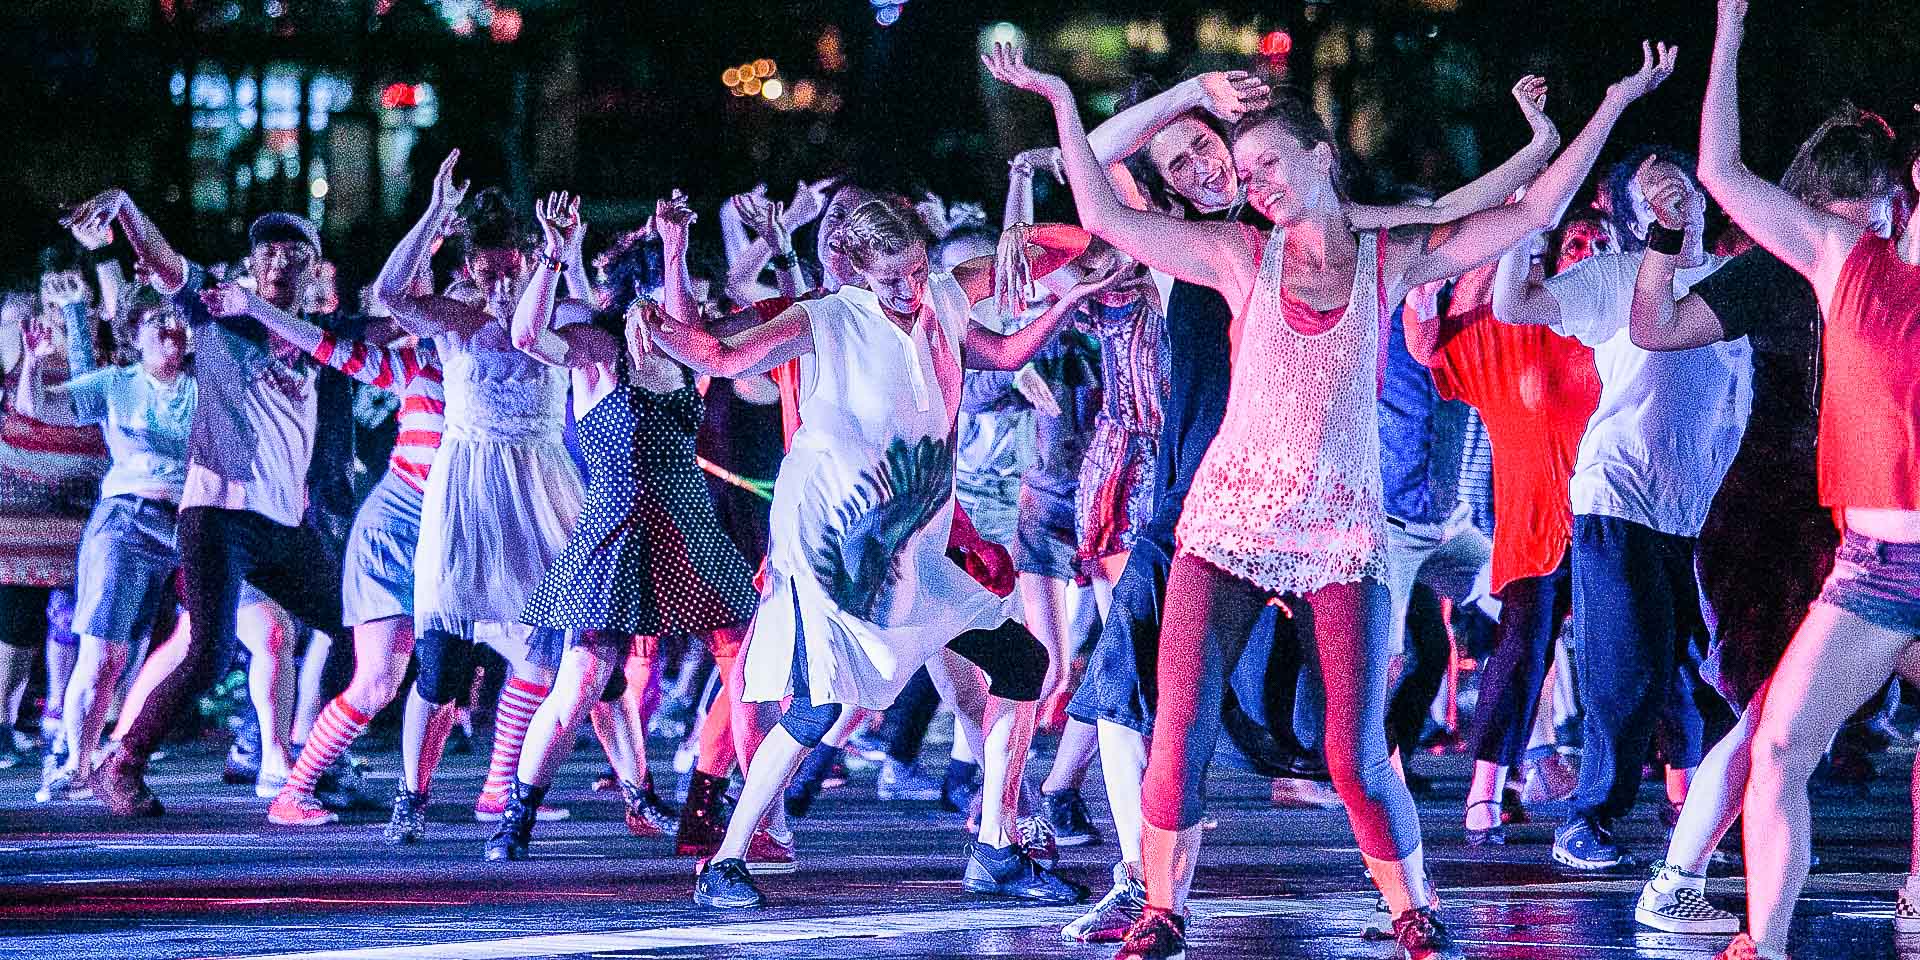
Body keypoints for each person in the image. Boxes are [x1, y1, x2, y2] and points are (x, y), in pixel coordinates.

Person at [985, 38, 1675, 960]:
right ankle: (1161, 911)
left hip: (1339, 534)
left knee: (1354, 755)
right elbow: (1104, 209)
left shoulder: (1389, 259)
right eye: (1245, 170)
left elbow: (1532, 208)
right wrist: (1061, 99)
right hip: (1225, 523)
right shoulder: (1237, 254)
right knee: (1176, 735)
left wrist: (1614, 103)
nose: (1255, 181)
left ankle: (1413, 908)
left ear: (1324, 158)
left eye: (1271, 163)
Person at [643, 189, 1103, 909]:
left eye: (915, 269)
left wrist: (1064, 268)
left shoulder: (944, 302)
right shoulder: (825, 318)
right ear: (856, 267)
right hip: (834, 548)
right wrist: (656, 317)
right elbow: (718, 355)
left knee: (1021, 661)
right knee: (820, 706)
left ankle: (997, 845)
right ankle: (726, 860)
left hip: (913, 541)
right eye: (889, 275)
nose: (907, 287)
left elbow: (1017, 330)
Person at [1624, 101, 1899, 936]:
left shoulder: (1897, 271)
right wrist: (1664, 241)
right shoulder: (1783, 269)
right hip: (1773, 528)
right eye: (1848, 220)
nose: (1866, 237)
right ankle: (1677, 879)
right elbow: (1653, 325)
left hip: (1868, 528)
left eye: (1882, 214)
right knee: (1771, 723)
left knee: (1790, 725)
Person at [1683, 5, 1920, 957]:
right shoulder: (1844, 260)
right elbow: (1722, 175)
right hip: (1872, 570)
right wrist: (1732, 34)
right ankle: (1762, 944)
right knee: (1779, 746)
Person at [1492, 142, 1749, 870]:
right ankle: (1590, 818)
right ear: (1633, 219)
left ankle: (1707, 823)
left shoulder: (1736, 281)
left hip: (1707, 510)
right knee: (1626, 670)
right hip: (1620, 498)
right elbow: (1515, 304)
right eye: (1655, 191)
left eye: (1683, 184)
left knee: (1718, 674)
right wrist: (1523, 232)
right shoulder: (1615, 278)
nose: (1676, 196)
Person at [486, 190, 760, 861]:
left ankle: (743, 812)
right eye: (674, 285)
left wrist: (675, 242)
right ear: (638, 296)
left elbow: (701, 319)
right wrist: (554, 257)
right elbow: (526, 336)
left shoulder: (690, 353)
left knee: (747, 663)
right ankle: (517, 815)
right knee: (581, 681)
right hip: (615, 528)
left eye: (690, 288)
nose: (689, 302)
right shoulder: (600, 348)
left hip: (687, 522)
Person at [63, 190, 354, 818]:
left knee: (359, 631)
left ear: (313, 268)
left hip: (283, 521)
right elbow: (167, 264)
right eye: (266, 251)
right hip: (215, 514)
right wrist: (125, 211)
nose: (277, 260)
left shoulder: (318, 336)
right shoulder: (221, 312)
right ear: (251, 266)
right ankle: (122, 762)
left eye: (293, 251)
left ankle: (312, 760)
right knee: (210, 650)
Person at [372, 160, 584, 825]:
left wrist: (564, 254)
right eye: (486, 271)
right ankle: (412, 794)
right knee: (441, 662)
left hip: (541, 483)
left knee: (555, 649)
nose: (498, 282)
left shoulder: (560, 310)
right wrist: (435, 213)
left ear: (527, 261)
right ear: (469, 268)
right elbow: (390, 295)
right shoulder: (458, 320)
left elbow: (588, 317)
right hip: (469, 484)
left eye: (509, 269)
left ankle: (513, 788)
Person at [1402, 224, 1606, 846]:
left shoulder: (1622, 322)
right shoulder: (1510, 330)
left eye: (1598, 244)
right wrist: (1496, 240)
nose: (1586, 256)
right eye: (1573, 245)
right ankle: (1485, 788)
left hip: (1618, 516)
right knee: (1522, 650)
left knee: (1645, 653)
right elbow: (1431, 347)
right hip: (1532, 521)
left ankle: (1674, 791)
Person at [15, 288, 192, 801]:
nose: (169, 328)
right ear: (135, 335)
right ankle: (76, 762)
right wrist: (33, 359)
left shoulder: (205, 387)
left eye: (177, 318)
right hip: (128, 523)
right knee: (105, 652)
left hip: (194, 524)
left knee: (217, 639)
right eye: (156, 320)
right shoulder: (117, 384)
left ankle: (124, 751)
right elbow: (42, 406)